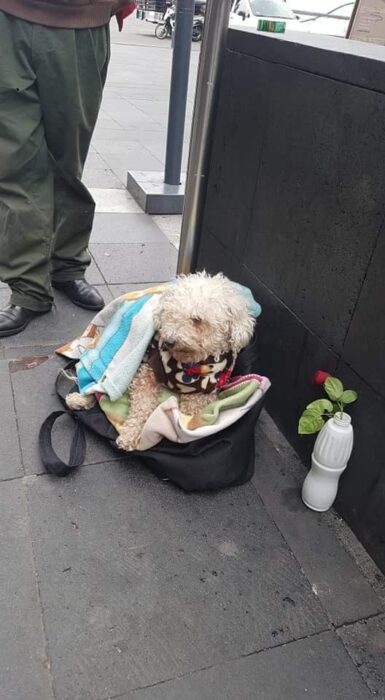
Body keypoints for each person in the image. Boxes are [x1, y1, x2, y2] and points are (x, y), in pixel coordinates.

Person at [0, 0, 135, 337]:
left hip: (81, 21)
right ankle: (29, 287)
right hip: (8, 17)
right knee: (16, 164)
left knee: (69, 159)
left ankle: (67, 265)